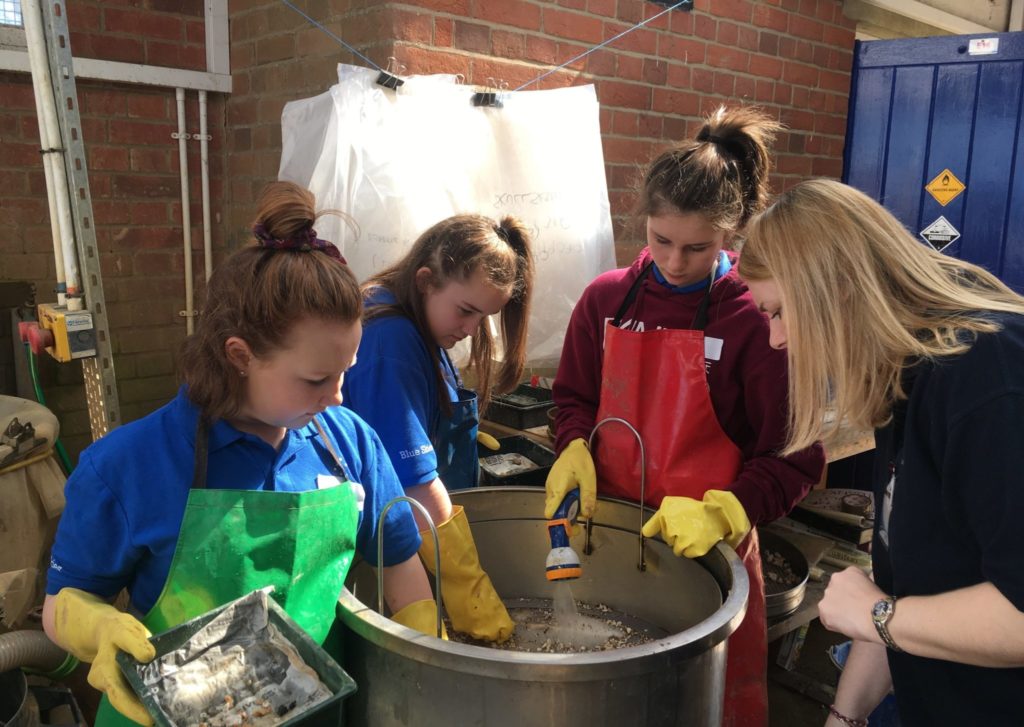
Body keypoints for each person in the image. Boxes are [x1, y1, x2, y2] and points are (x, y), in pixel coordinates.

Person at [42, 181, 438, 727]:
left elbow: (400, 569)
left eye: (347, 371)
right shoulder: (128, 466)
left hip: (312, 709)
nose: (339, 396)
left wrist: (431, 672)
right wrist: (95, 626)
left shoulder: (347, 442)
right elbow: (61, 606)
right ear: (240, 356)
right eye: (317, 379)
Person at [546, 106, 825, 726]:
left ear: (732, 234)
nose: (674, 262)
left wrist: (728, 509)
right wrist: (571, 446)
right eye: (660, 241)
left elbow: (798, 456)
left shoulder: (756, 321)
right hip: (609, 533)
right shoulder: (605, 300)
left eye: (698, 247)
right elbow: (573, 399)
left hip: (709, 553)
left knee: (708, 701)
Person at [739, 178, 1024, 727]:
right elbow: (905, 591)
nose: (775, 339)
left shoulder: (989, 381)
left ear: (835, 289)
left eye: (777, 311)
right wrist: (844, 718)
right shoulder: (903, 378)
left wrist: (877, 615)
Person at [342, 214, 534, 644]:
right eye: (465, 311)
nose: (469, 330)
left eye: (482, 317)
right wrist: (469, 589)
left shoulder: (415, 317)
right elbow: (413, 488)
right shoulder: (391, 338)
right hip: (379, 544)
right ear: (426, 279)